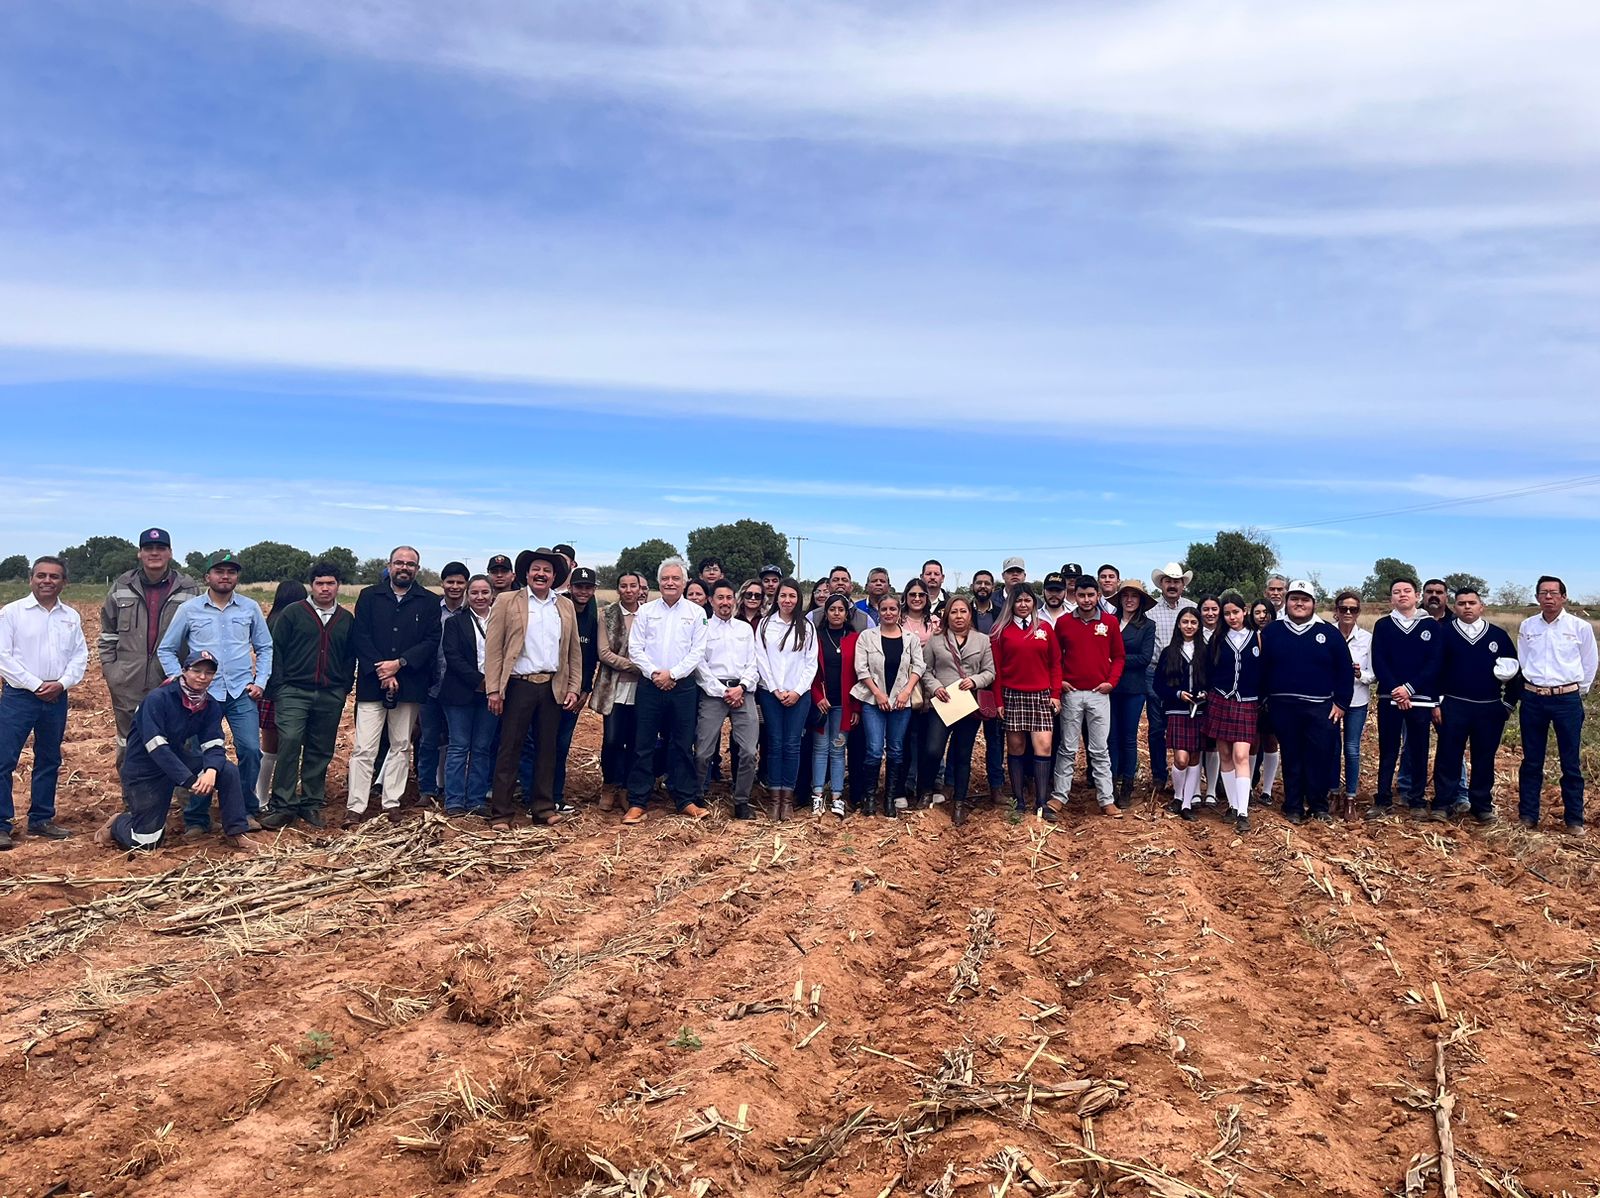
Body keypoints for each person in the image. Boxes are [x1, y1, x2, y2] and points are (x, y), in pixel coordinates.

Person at [94, 650, 256, 852]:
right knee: (146, 843)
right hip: (145, 768)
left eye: (209, 672)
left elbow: (214, 744)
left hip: (177, 760)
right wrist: (189, 780)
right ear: (184, 671)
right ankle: (119, 823)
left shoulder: (209, 705)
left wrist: (211, 771)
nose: (202, 677)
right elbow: (157, 747)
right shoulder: (158, 699)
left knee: (227, 771)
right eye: (197, 670)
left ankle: (235, 831)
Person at [158, 551, 272, 834]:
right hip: (202, 697)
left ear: (236, 577)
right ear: (207, 576)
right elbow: (167, 649)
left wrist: (261, 681)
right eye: (219, 571)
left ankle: (245, 810)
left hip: (240, 692)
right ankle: (197, 818)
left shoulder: (249, 608)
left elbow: (265, 647)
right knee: (200, 755)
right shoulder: (190, 609)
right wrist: (180, 680)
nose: (225, 576)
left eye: (231, 572)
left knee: (249, 750)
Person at [484, 549, 581, 830]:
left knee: (547, 750)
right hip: (518, 686)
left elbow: (573, 651)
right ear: (527, 573)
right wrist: (494, 690)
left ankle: (543, 807)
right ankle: (501, 813)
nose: (541, 574)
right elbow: (494, 650)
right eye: (536, 569)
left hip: (552, 686)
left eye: (547, 571)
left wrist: (573, 687)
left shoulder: (564, 606)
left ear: (554, 577)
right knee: (509, 749)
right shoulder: (506, 601)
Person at [344, 546, 442, 823]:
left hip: (409, 683)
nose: (404, 568)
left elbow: (431, 641)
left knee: (401, 745)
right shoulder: (369, 596)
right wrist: (383, 671)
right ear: (389, 565)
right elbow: (361, 636)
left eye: (410, 564)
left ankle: (391, 801)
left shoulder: (428, 601)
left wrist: (400, 663)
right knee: (364, 746)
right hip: (372, 683)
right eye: (399, 563)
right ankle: (356, 805)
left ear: (417, 569)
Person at [258, 562, 355, 830]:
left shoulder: (345, 619)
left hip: (330, 693)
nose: (325, 588)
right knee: (288, 741)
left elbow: (350, 656)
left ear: (338, 586)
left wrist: (343, 687)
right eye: (320, 583)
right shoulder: (293, 613)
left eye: (331, 583)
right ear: (311, 585)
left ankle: (311, 802)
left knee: (320, 748)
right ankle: (283, 804)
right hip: (293, 691)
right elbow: (275, 650)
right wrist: (277, 687)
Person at [0, 556, 88, 848]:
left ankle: (41, 819)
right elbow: (4, 657)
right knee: (5, 759)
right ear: (31, 579)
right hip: (20, 697)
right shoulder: (12, 613)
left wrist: (61, 684)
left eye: (54, 576)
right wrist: (36, 684)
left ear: (64, 582)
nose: (47, 581)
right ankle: (1, 824)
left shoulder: (70, 617)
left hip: (56, 698)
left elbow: (79, 656)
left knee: (49, 759)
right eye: (41, 576)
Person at [98, 527, 201, 765]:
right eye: (149, 548)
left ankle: (181, 795)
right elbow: (107, 634)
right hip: (127, 680)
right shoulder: (122, 585)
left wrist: (188, 676)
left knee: (178, 737)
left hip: (171, 679)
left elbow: (197, 636)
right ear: (140, 553)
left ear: (170, 553)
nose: (154, 553)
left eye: (160, 548)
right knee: (129, 739)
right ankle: (132, 797)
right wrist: (112, 671)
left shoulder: (188, 588)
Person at [1259, 581, 1352, 825]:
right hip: (1283, 707)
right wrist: (1265, 698)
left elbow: (1344, 671)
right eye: (1294, 599)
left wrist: (1341, 703)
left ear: (1313, 604)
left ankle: (1318, 805)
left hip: (1320, 707)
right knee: (1291, 756)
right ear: (1287, 602)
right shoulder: (1272, 631)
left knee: (1318, 756)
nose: (1299, 604)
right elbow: (1262, 668)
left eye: (1305, 599)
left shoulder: (1329, 634)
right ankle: (1293, 806)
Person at [624, 556, 709, 825]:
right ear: (658, 583)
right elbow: (635, 648)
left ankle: (685, 799)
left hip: (682, 687)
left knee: (682, 744)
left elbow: (698, 651)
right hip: (650, 686)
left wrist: (673, 674)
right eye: (665, 579)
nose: (670, 583)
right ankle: (638, 801)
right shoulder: (646, 612)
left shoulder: (696, 614)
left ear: (684, 582)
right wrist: (655, 674)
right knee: (643, 744)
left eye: (675, 578)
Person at [1516, 575, 1598, 834]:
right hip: (1533, 698)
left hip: (1567, 700)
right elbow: (1524, 660)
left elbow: (1589, 663)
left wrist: (1576, 691)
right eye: (1543, 593)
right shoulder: (1528, 626)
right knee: (1531, 760)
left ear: (1564, 596)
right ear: (1537, 597)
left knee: (1570, 761)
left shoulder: (1579, 627)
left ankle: (1574, 819)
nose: (1548, 597)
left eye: (1553, 592)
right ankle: (1528, 815)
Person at [1433, 587, 1521, 826]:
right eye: (1461, 603)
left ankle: (1481, 805)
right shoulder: (1443, 633)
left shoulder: (1498, 636)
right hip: (1453, 705)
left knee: (1484, 758)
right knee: (1448, 756)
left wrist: (1508, 704)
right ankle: (1443, 803)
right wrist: (1436, 702)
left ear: (1481, 606)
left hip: (1488, 708)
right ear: (1455, 607)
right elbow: (1433, 670)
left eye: (1472, 603)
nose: (1467, 607)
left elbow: (1514, 671)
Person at [1368, 576, 1442, 820]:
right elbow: (1379, 660)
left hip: (1420, 698)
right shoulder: (1383, 625)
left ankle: (1417, 799)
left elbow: (1434, 663)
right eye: (1397, 591)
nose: (1402, 595)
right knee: (1388, 749)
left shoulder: (1431, 626)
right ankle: (1382, 799)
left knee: (1418, 749)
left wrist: (1409, 688)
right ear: (1391, 598)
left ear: (1417, 596)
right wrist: (1396, 690)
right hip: (1390, 697)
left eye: (1407, 591)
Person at [1051, 575, 1124, 817]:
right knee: (1067, 748)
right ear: (1076, 595)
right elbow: (1056, 657)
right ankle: (1060, 796)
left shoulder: (1110, 622)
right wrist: (1059, 682)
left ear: (1098, 596)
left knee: (1099, 749)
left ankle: (1106, 799)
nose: (1086, 600)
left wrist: (1111, 683)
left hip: (1098, 694)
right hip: (1071, 693)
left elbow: (1119, 657)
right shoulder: (1063, 623)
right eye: (1081, 595)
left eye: (1091, 595)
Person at [920, 596, 995, 825]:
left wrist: (974, 681)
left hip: (967, 705)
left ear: (970, 615)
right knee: (933, 750)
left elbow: (990, 672)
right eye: (954, 612)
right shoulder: (935, 640)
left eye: (963, 611)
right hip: (942, 703)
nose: (958, 616)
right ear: (946, 615)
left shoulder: (982, 641)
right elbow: (925, 671)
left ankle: (959, 802)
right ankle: (925, 791)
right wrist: (935, 688)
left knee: (962, 754)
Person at [990, 583, 1061, 820]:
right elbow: (997, 670)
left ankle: (1041, 801)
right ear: (1011, 603)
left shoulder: (1045, 629)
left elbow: (1055, 664)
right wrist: (998, 700)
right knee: (1017, 747)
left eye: (1027, 601)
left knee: (1043, 746)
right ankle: (1018, 801)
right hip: (1012, 694)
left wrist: (1055, 694)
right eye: (1018, 601)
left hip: (1041, 694)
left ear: (1034, 603)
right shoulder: (1001, 631)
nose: (1023, 605)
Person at [852, 594, 925, 817]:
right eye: (884, 609)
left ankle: (890, 798)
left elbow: (918, 666)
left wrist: (906, 692)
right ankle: (870, 797)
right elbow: (861, 668)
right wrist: (878, 693)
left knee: (896, 750)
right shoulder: (867, 637)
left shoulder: (910, 638)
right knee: (874, 750)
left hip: (901, 702)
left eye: (893, 609)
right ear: (879, 612)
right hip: (873, 701)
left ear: (899, 611)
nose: (888, 613)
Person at [694, 581, 761, 819]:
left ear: (735, 600)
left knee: (748, 751)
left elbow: (754, 662)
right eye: (720, 598)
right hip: (714, 693)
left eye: (729, 598)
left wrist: (741, 687)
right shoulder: (702, 628)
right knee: (703, 751)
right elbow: (699, 665)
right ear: (711, 600)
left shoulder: (744, 629)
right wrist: (722, 690)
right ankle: (698, 795)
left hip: (743, 692)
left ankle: (741, 800)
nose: (725, 602)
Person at [755, 577, 816, 822]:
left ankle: (787, 801)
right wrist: (775, 689)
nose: (787, 600)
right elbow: (761, 659)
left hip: (798, 695)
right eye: (783, 596)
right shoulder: (765, 625)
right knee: (775, 743)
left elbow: (810, 664)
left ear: (798, 599)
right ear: (776, 598)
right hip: (771, 694)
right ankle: (774, 799)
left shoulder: (806, 627)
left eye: (792, 596)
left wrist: (797, 691)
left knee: (792, 745)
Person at [438, 575, 497, 817]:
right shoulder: (455, 622)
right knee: (459, 747)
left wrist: (493, 684)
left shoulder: (501, 621)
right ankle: (454, 801)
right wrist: (479, 681)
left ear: (492, 594)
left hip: (493, 694)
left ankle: (476, 800)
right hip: (459, 694)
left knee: (482, 748)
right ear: (467, 595)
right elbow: (452, 657)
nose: (480, 597)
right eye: (475, 593)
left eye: (484, 592)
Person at [1202, 594, 1261, 830]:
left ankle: (1244, 812)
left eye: (1235, 612)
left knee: (1241, 755)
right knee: (1225, 755)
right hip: (1220, 701)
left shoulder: (1257, 638)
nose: (1231, 617)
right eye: (1227, 614)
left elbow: (1264, 671)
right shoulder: (1217, 639)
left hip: (1247, 702)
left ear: (1244, 611)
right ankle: (1233, 805)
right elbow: (1207, 670)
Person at [546, 565, 601, 815]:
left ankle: (556, 796)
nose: (583, 591)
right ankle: (537, 795)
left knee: (562, 744)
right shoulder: (558, 608)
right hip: (550, 689)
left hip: (576, 691)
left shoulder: (593, 614)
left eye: (588, 587)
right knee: (544, 744)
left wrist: (584, 690)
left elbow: (589, 659)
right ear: (570, 587)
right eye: (579, 586)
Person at [593, 570, 647, 812]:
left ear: (640, 589)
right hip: (613, 687)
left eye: (632, 585)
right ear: (618, 589)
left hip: (643, 688)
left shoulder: (649, 614)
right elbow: (603, 652)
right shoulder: (607, 614)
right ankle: (609, 785)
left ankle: (627, 788)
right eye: (623, 586)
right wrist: (635, 666)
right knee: (613, 739)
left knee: (636, 740)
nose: (628, 590)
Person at [417, 561, 469, 809]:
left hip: (459, 687)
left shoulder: (472, 613)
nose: (455, 587)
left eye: (460, 582)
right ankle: (426, 789)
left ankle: (451, 788)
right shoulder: (430, 610)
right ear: (442, 583)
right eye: (450, 582)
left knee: (456, 741)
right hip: (430, 684)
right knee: (428, 739)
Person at [256, 578, 308, 810]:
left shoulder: (270, 620)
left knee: (269, 749)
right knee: (288, 747)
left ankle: (260, 796)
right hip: (290, 690)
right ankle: (280, 795)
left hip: (268, 691)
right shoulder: (295, 621)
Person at [1146, 563, 1198, 795]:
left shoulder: (1192, 609)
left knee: (1190, 725)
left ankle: (1190, 780)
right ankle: (1159, 775)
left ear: (1183, 585)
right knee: (1157, 728)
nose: (1172, 585)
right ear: (1162, 584)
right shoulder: (1150, 611)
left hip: (1188, 674)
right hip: (1158, 671)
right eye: (1168, 581)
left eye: (1177, 581)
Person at [1154, 608, 1207, 820]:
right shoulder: (1169, 652)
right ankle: (1177, 795)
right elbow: (1158, 684)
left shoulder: (1205, 651)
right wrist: (1177, 693)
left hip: (1200, 710)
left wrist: (1205, 693)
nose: (1189, 626)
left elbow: (1212, 680)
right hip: (1177, 710)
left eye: (1193, 622)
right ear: (1178, 624)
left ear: (1198, 625)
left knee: (1195, 757)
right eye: (1185, 622)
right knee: (1181, 758)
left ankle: (1186, 804)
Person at [810, 594, 859, 817]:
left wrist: (856, 708)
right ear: (826, 612)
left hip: (844, 705)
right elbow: (810, 670)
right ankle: (818, 795)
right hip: (822, 705)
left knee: (838, 751)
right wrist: (817, 696)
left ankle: (837, 796)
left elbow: (860, 675)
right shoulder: (816, 637)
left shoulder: (855, 638)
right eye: (832, 609)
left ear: (846, 613)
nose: (836, 613)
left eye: (841, 609)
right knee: (820, 750)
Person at [1109, 580, 1155, 809]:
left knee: (1128, 737)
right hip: (1109, 688)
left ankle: (1127, 784)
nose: (1129, 600)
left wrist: (1115, 660)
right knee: (1111, 737)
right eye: (1125, 595)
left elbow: (1144, 658)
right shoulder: (1109, 622)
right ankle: (1112, 783)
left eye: (1134, 596)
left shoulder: (1147, 626)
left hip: (1133, 688)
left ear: (1140, 601)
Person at [1333, 591, 1376, 817]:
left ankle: (1350, 796)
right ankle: (1332, 792)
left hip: (1357, 700)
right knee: (1332, 748)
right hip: (1331, 700)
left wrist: (1360, 674)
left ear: (1359, 612)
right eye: (1343, 609)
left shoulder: (1368, 639)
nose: (1348, 613)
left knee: (1351, 749)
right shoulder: (1327, 634)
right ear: (1336, 610)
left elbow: (1373, 675)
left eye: (1353, 609)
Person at [967, 568, 1007, 799]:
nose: (983, 586)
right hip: (966, 685)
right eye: (979, 582)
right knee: (964, 736)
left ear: (993, 587)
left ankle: (996, 786)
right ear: (973, 586)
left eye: (987, 583)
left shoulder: (1002, 614)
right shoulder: (963, 611)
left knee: (995, 739)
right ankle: (952, 783)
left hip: (993, 685)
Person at [898, 579, 938, 802]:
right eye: (912, 594)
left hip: (929, 686)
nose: (917, 599)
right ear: (905, 596)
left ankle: (925, 788)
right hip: (903, 686)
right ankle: (902, 787)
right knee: (904, 739)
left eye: (921, 595)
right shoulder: (897, 620)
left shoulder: (935, 623)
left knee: (926, 739)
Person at [1248, 598, 1283, 801]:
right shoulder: (1248, 636)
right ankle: (1249, 787)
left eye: (1265, 612)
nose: (1261, 616)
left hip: (1274, 693)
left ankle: (1267, 790)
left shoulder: (1279, 634)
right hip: (1253, 694)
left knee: (1271, 741)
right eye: (1257, 612)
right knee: (1252, 741)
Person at [809, 566, 870, 632]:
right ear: (828, 586)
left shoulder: (866, 620)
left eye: (844, 580)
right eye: (835, 580)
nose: (840, 583)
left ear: (851, 587)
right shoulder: (812, 617)